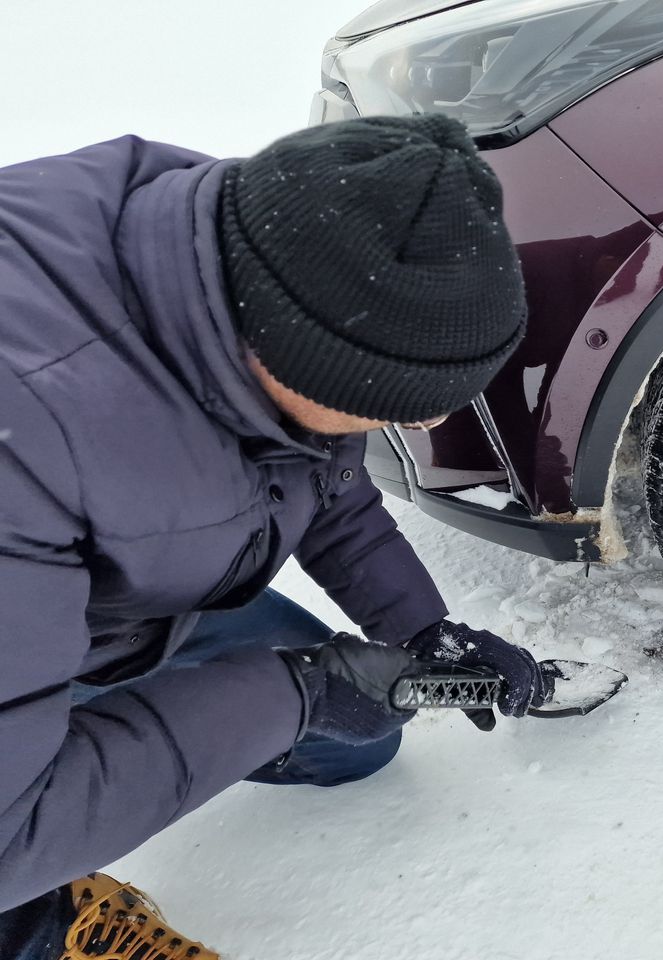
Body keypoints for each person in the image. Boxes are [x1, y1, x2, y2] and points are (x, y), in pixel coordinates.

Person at [0, 114, 548, 959]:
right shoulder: (28, 430)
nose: (431, 420)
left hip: (110, 595)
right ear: (296, 359)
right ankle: (44, 924)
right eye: (400, 402)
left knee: (353, 747)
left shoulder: (269, 255)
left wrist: (420, 631)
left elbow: (319, 472)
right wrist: (299, 692)